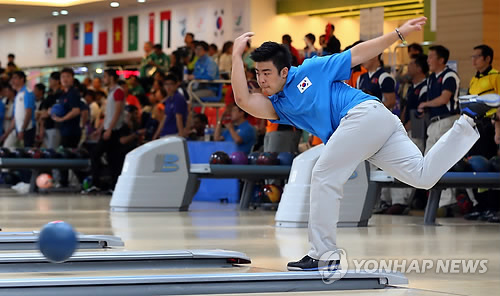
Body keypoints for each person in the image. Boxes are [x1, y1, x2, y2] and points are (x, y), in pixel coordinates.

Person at [230, 17, 497, 271]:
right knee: (423, 176)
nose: (261, 79)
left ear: (285, 71)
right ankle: (470, 120)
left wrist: (399, 34)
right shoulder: (278, 107)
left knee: (323, 173)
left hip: (363, 114)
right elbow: (243, 99)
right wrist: (234, 56)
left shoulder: (311, 69)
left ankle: (323, 255)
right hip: (371, 128)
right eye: (257, 73)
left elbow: (357, 54)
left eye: (266, 72)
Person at [463, 44, 500, 223]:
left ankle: (494, 207)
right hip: (475, 126)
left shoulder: (496, 77)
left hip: (490, 127)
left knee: (488, 165)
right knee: (475, 165)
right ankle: (482, 205)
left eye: (477, 56)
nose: (474, 60)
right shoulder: (473, 80)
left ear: (487, 59)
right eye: (472, 57)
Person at [88, 69, 125, 193]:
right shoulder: (110, 92)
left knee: (103, 155)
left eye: (105, 77)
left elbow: (117, 112)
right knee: (111, 158)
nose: (104, 79)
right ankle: (111, 185)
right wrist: (100, 129)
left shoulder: (118, 91)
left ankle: (100, 184)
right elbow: (108, 114)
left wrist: (109, 129)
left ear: (111, 77)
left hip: (114, 130)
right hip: (108, 129)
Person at [0, 71, 36, 148]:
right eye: (11, 78)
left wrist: (22, 130)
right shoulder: (18, 95)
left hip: (27, 129)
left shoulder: (27, 92)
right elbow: (15, 118)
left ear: (22, 79)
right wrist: (6, 134)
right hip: (18, 130)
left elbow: (28, 113)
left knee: (27, 155)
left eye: (15, 78)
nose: (12, 81)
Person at [154, 74, 188, 138]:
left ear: (176, 84)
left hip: (174, 134)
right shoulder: (169, 99)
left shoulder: (178, 98)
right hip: (165, 134)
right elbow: (164, 118)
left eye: (171, 84)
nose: (168, 87)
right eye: (166, 84)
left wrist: (181, 136)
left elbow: (179, 118)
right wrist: (156, 135)